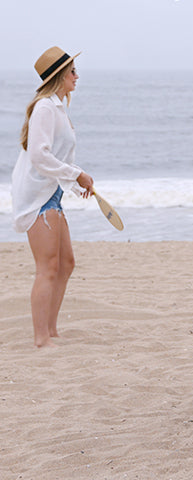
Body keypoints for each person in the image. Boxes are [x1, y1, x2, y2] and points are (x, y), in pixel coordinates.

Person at [11, 47, 94, 348]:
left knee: (66, 263)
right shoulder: (46, 108)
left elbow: (53, 158)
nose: (77, 76)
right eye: (72, 71)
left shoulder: (56, 107)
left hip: (52, 194)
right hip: (38, 197)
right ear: (59, 75)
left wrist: (75, 181)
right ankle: (41, 338)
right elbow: (39, 156)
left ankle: (52, 331)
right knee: (47, 268)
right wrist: (76, 175)